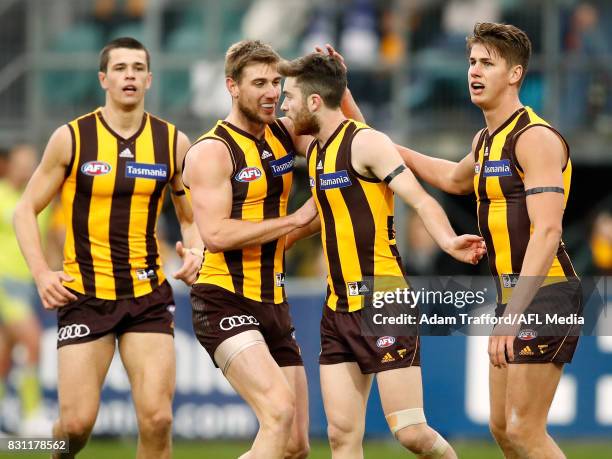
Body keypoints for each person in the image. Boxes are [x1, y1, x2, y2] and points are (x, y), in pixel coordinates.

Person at [279, 52, 486, 459]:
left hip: (383, 298)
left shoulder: (367, 143)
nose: (284, 106)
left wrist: (446, 240)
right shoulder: (318, 152)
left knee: (410, 431)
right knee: (341, 436)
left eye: (289, 97)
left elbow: (421, 199)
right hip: (337, 306)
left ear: (314, 102)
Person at [399, 22, 582, 458]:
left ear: (515, 74)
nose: (473, 71)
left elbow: (549, 230)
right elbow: (450, 177)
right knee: (502, 429)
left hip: (546, 293)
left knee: (524, 430)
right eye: (471, 62)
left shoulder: (534, 137)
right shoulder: (486, 141)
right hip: (515, 296)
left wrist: (510, 316)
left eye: (487, 63)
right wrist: (380, 143)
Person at [14, 37, 201, 459]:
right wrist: (42, 273)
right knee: (76, 427)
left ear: (150, 79)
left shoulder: (173, 143)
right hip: (84, 295)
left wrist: (195, 251)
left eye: (138, 68)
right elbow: (25, 210)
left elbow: (190, 219)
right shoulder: (71, 138)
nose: (129, 75)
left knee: (158, 418)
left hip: (147, 295)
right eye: (120, 68)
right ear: (104, 78)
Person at [183, 40, 365, 459]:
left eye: (276, 82)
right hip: (223, 299)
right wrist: (297, 220)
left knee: (297, 446)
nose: (271, 92)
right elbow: (216, 235)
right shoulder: (212, 150)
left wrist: (341, 89)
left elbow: (351, 148)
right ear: (231, 86)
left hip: (274, 302)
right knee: (278, 413)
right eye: (259, 82)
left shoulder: (284, 133)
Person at [0, 145, 52, 436]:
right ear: (10, 164)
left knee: (4, 353)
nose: (25, 168)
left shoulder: (38, 201)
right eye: (21, 162)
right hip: (3, 282)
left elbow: (46, 241)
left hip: (29, 283)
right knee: (32, 341)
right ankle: (31, 414)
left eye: (31, 163)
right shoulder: (1, 195)